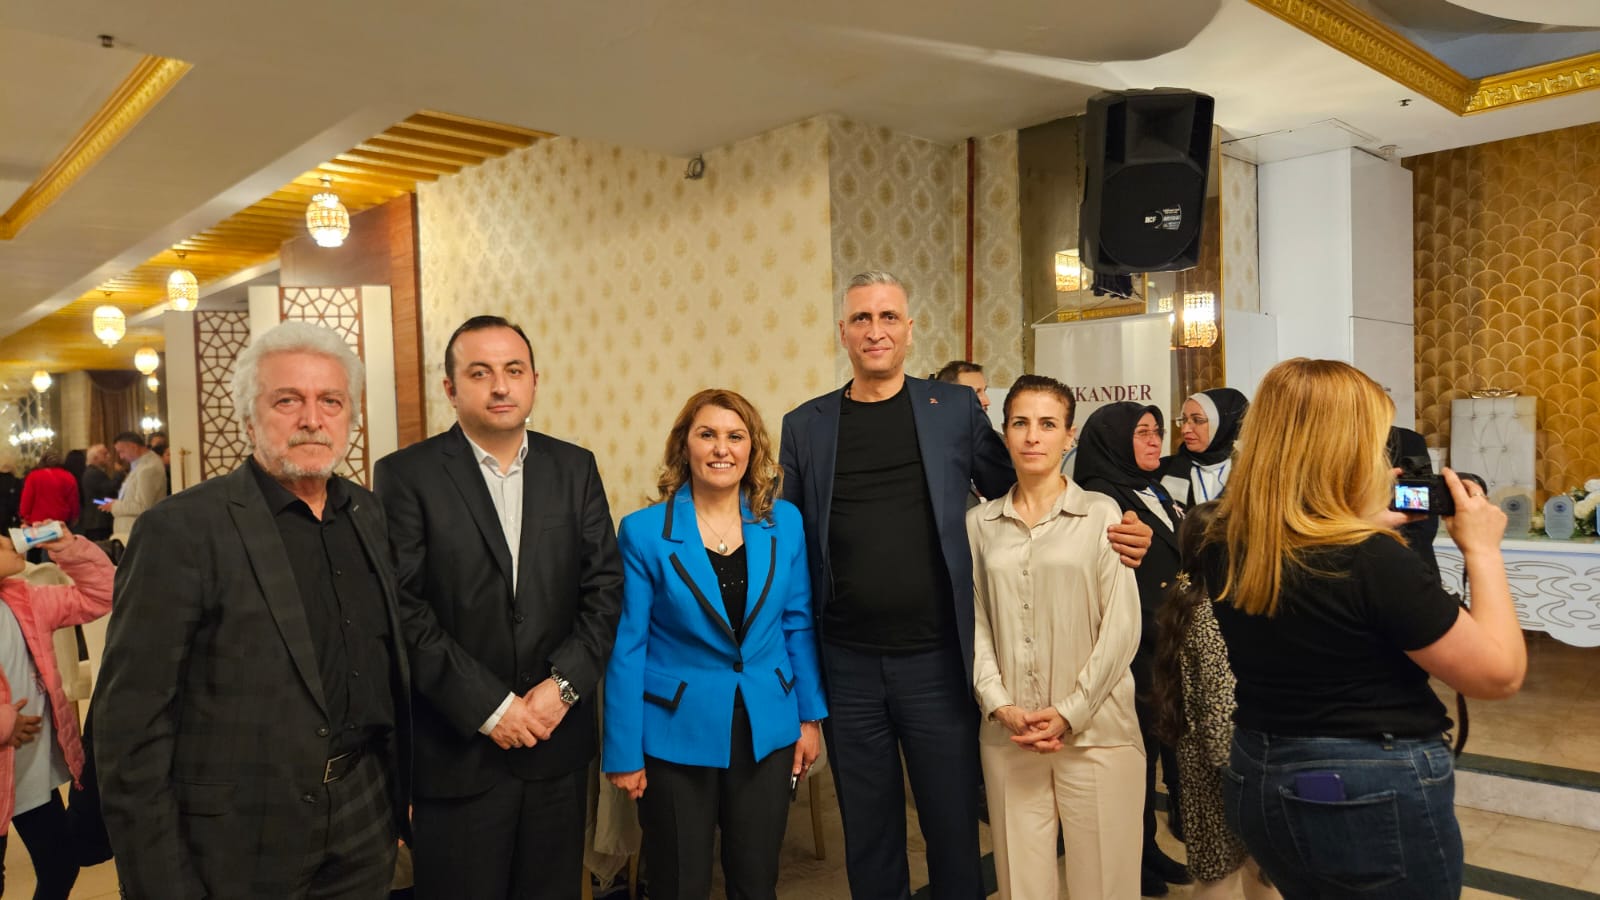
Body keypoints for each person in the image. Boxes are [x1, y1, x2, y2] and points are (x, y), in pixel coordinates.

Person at [779, 270, 1151, 899]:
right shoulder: (806, 424)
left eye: (889, 317)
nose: (876, 330)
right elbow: (788, 544)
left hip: (938, 661)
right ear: (842, 332)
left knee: (952, 827)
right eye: (862, 318)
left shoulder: (950, 409)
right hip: (846, 662)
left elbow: (1026, 486)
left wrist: (1110, 520)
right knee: (868, 832)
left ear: (910, 330)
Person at [95, 321, 413, 898]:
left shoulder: (368, 515)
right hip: (237, 836)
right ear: (248, 419)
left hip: (364, 813)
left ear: (351, 416)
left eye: (331, 401)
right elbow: (130, 728)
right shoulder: (181, 530)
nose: (312, 418)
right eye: (287, 400)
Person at [1204, 358, 1525, 899]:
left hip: (1259, 769)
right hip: (1363, 785)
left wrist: (1357, 519)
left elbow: (1307, 558)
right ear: (1347, 450)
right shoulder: (1371, 560)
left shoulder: (1225, 542)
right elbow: (1499, 675)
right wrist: (1483, 551)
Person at [374, 315, 623, 900]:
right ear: (450, 388)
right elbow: (403, 610)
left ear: (535, 379)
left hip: (555, 742)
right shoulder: (406, 475)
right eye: (480, 373)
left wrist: (563, 688)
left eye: (514, 370)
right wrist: (491, 707)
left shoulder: (574, 467)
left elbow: (605, 589)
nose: (501, 386)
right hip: (457, 750)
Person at [603, 388, 826, 900]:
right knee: (679, 882)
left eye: (735, 436)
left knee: (756, 879)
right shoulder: (643, 533)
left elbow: (796, 624)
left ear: (753, 448)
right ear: (685, 446)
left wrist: (810, 718)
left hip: (767, 725)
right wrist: (623, 751)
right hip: (674, 731)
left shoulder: (785, 523)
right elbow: (627, 647)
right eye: (707, 434)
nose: (722, 448)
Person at [969, 375, 1144, 900]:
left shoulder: (1101, 514)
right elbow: (974, 622)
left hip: (1098, 732)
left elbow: (1122, 626)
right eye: (1020, 423)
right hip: (1011, 732)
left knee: (1105, 886)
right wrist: (998, 703)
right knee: (1021, 886)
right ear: (1004, 433)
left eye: (1048, 424)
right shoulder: (979, 523)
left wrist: (1071, 710)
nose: (1032, 436)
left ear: (1070, 436)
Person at [1073, 401, 1191, 896]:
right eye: (1142, 432)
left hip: (1165, 643)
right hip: (1134, 646)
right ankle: (1133, 857)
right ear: (1114, 439)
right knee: (1132, 759)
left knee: (1153, 753)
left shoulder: (1152, 486)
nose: (1155, 440)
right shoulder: (1101, 496)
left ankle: (1148, 849)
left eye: (1157, 431)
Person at [1150, 501, 1280, 900]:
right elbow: (1221, 708)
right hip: (1227, 767)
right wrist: (1250, 775)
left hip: (1203, 761)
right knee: (1229, 873)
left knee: (1236, 868)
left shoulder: (1188, 599)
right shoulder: (1213, 617)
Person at [0, 524, 113, 899]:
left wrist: (70, 549)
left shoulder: (23, 600)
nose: (9, 542)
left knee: (61, 865)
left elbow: (105, 594)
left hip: (30, 776)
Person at [1162, 388, 1247, 507]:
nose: (1185, 430)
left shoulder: (1249, 472)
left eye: (1197, 420)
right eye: (1184, 420)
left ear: (1223, 425)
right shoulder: (1162, 469)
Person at [97, 431, 167, 539]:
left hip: (139, 533)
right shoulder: (140, 465)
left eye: (122, 451)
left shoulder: (148, 468)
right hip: (131, 533)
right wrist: (116, 502)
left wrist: (114, 506)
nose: (121, 457)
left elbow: (142, 506)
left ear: (133, 447)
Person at [18, 452, 79, 528]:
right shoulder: (69, 476)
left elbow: (27, 500)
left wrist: (24, 516)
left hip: (37, 522)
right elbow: (73, 501)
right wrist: (74, 518)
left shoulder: (33, 476)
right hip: (61, 522)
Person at [76, 445, 117, 541]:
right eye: (105, 454)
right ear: (95, 458)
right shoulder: (93, 473)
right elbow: (108, 489)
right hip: (97, 520)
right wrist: (119, 474)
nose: (109, 456)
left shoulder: (95, 472)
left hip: (97, 519)